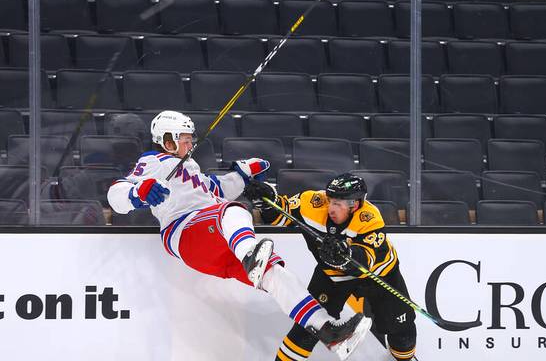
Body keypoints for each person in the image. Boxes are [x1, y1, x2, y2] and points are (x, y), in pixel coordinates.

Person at [107, 111, 371, 360]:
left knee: (275, 274)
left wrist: (243, 174)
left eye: (190, 139)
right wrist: (138, 193)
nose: (190, 145)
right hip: (186, 231)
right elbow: (116, 194)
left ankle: (329, 332)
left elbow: (216, 189)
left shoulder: (190, 167)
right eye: (184, 140)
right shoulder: (154, 162)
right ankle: (249, 255)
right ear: (168, 141)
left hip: (215, 240)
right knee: (234, 211)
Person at [245, 173, 418, 361]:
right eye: (330, 200)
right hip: (332, 275)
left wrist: (346, 254)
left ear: (355, 205)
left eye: (338, 203)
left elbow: (367, 260)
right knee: (307, 328)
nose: (331, 208)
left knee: (402, 331)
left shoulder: (369, 218)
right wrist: (267, 200)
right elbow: (281, 212)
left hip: (378, 275)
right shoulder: (312, 202)